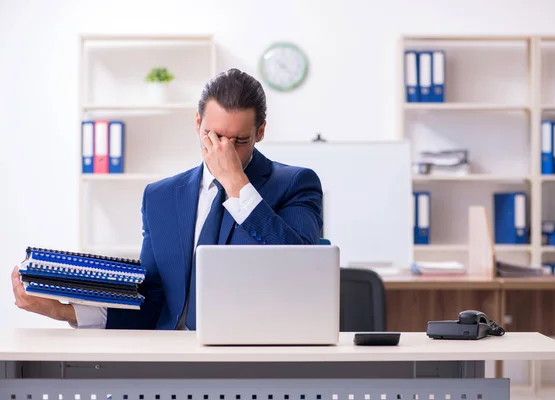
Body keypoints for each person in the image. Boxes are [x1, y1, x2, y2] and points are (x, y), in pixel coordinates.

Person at [12, 68, 324, 330]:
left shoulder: (294, 184)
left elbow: (304, 268)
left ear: (260, 132)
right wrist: (62, 311)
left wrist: (235, 183)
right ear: (197, 123)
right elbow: (153, 299)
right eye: (214, 137)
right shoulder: (160, 197)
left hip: (251, 355)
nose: (224, 151)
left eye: (239, 141)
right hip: (170, 356)